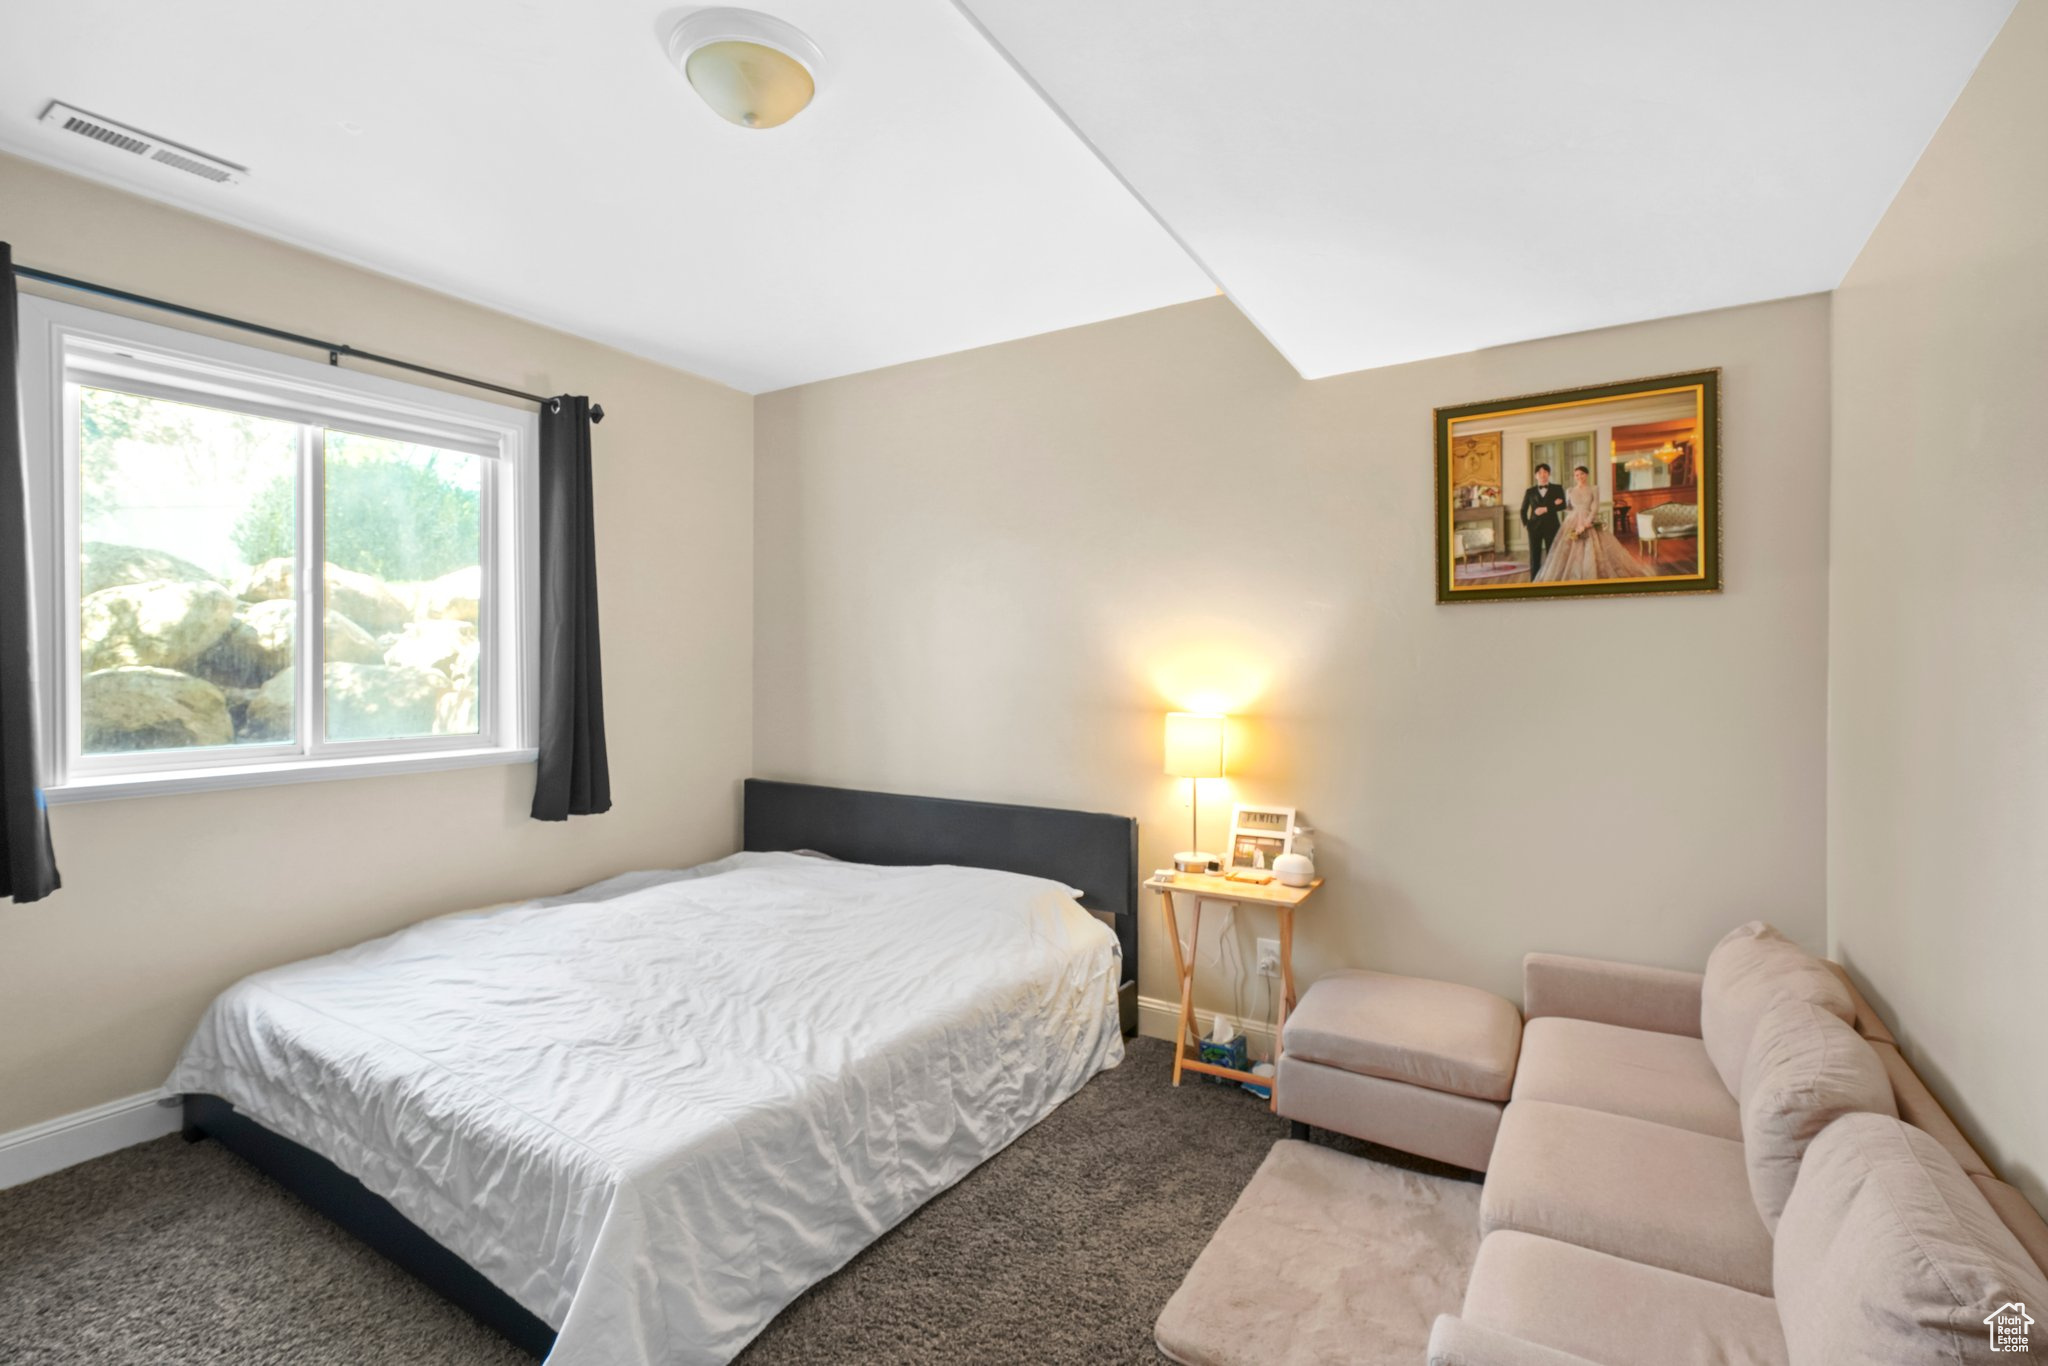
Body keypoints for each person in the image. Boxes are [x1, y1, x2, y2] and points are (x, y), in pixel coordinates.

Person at [1532, 465, 1653, 584]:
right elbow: (1568, 508)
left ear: (1587, 475)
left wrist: (1587, 522)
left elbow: (1595, 507)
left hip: (1589, 518)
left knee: (1594, 547)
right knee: (1570, 547)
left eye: (1582, 474)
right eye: (1577, 475)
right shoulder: (1570, 490)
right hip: (1572, 519)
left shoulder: (1594, 489)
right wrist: (1558, 504)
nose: (1579, 477)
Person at [1519, 463, 1568, 578]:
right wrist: (1526, 524)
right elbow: (1523, 510)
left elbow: (1563, 506)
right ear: (1536, 475)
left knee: (1553, 553)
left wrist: (1546, 508)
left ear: (1549, 474)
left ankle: (1553, 578)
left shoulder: (1557, 488)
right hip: (1533, 527)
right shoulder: (1529, 491)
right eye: (1539, 472)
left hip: (1552, 526)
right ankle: (1534, 580)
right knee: (1534, 555)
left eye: (1545, 472)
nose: (1542, 475)